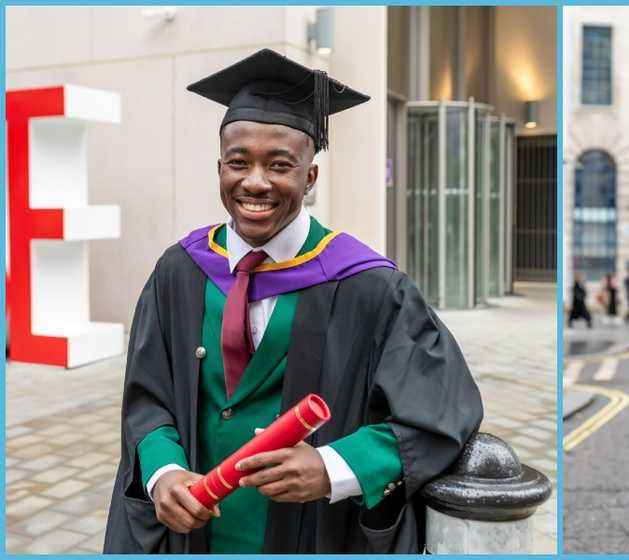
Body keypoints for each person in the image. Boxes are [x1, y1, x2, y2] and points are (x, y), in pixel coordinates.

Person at [103, 49, 483, 554]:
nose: (255, 182)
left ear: (309, 177)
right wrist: (163, 473)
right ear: (220, 168)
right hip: (192, 538)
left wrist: (333, 468)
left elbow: (439, 414)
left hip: (312, 534)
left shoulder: (369, 286)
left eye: (279, 165)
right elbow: (147, 397)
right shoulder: (180, 270)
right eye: (239, 163)